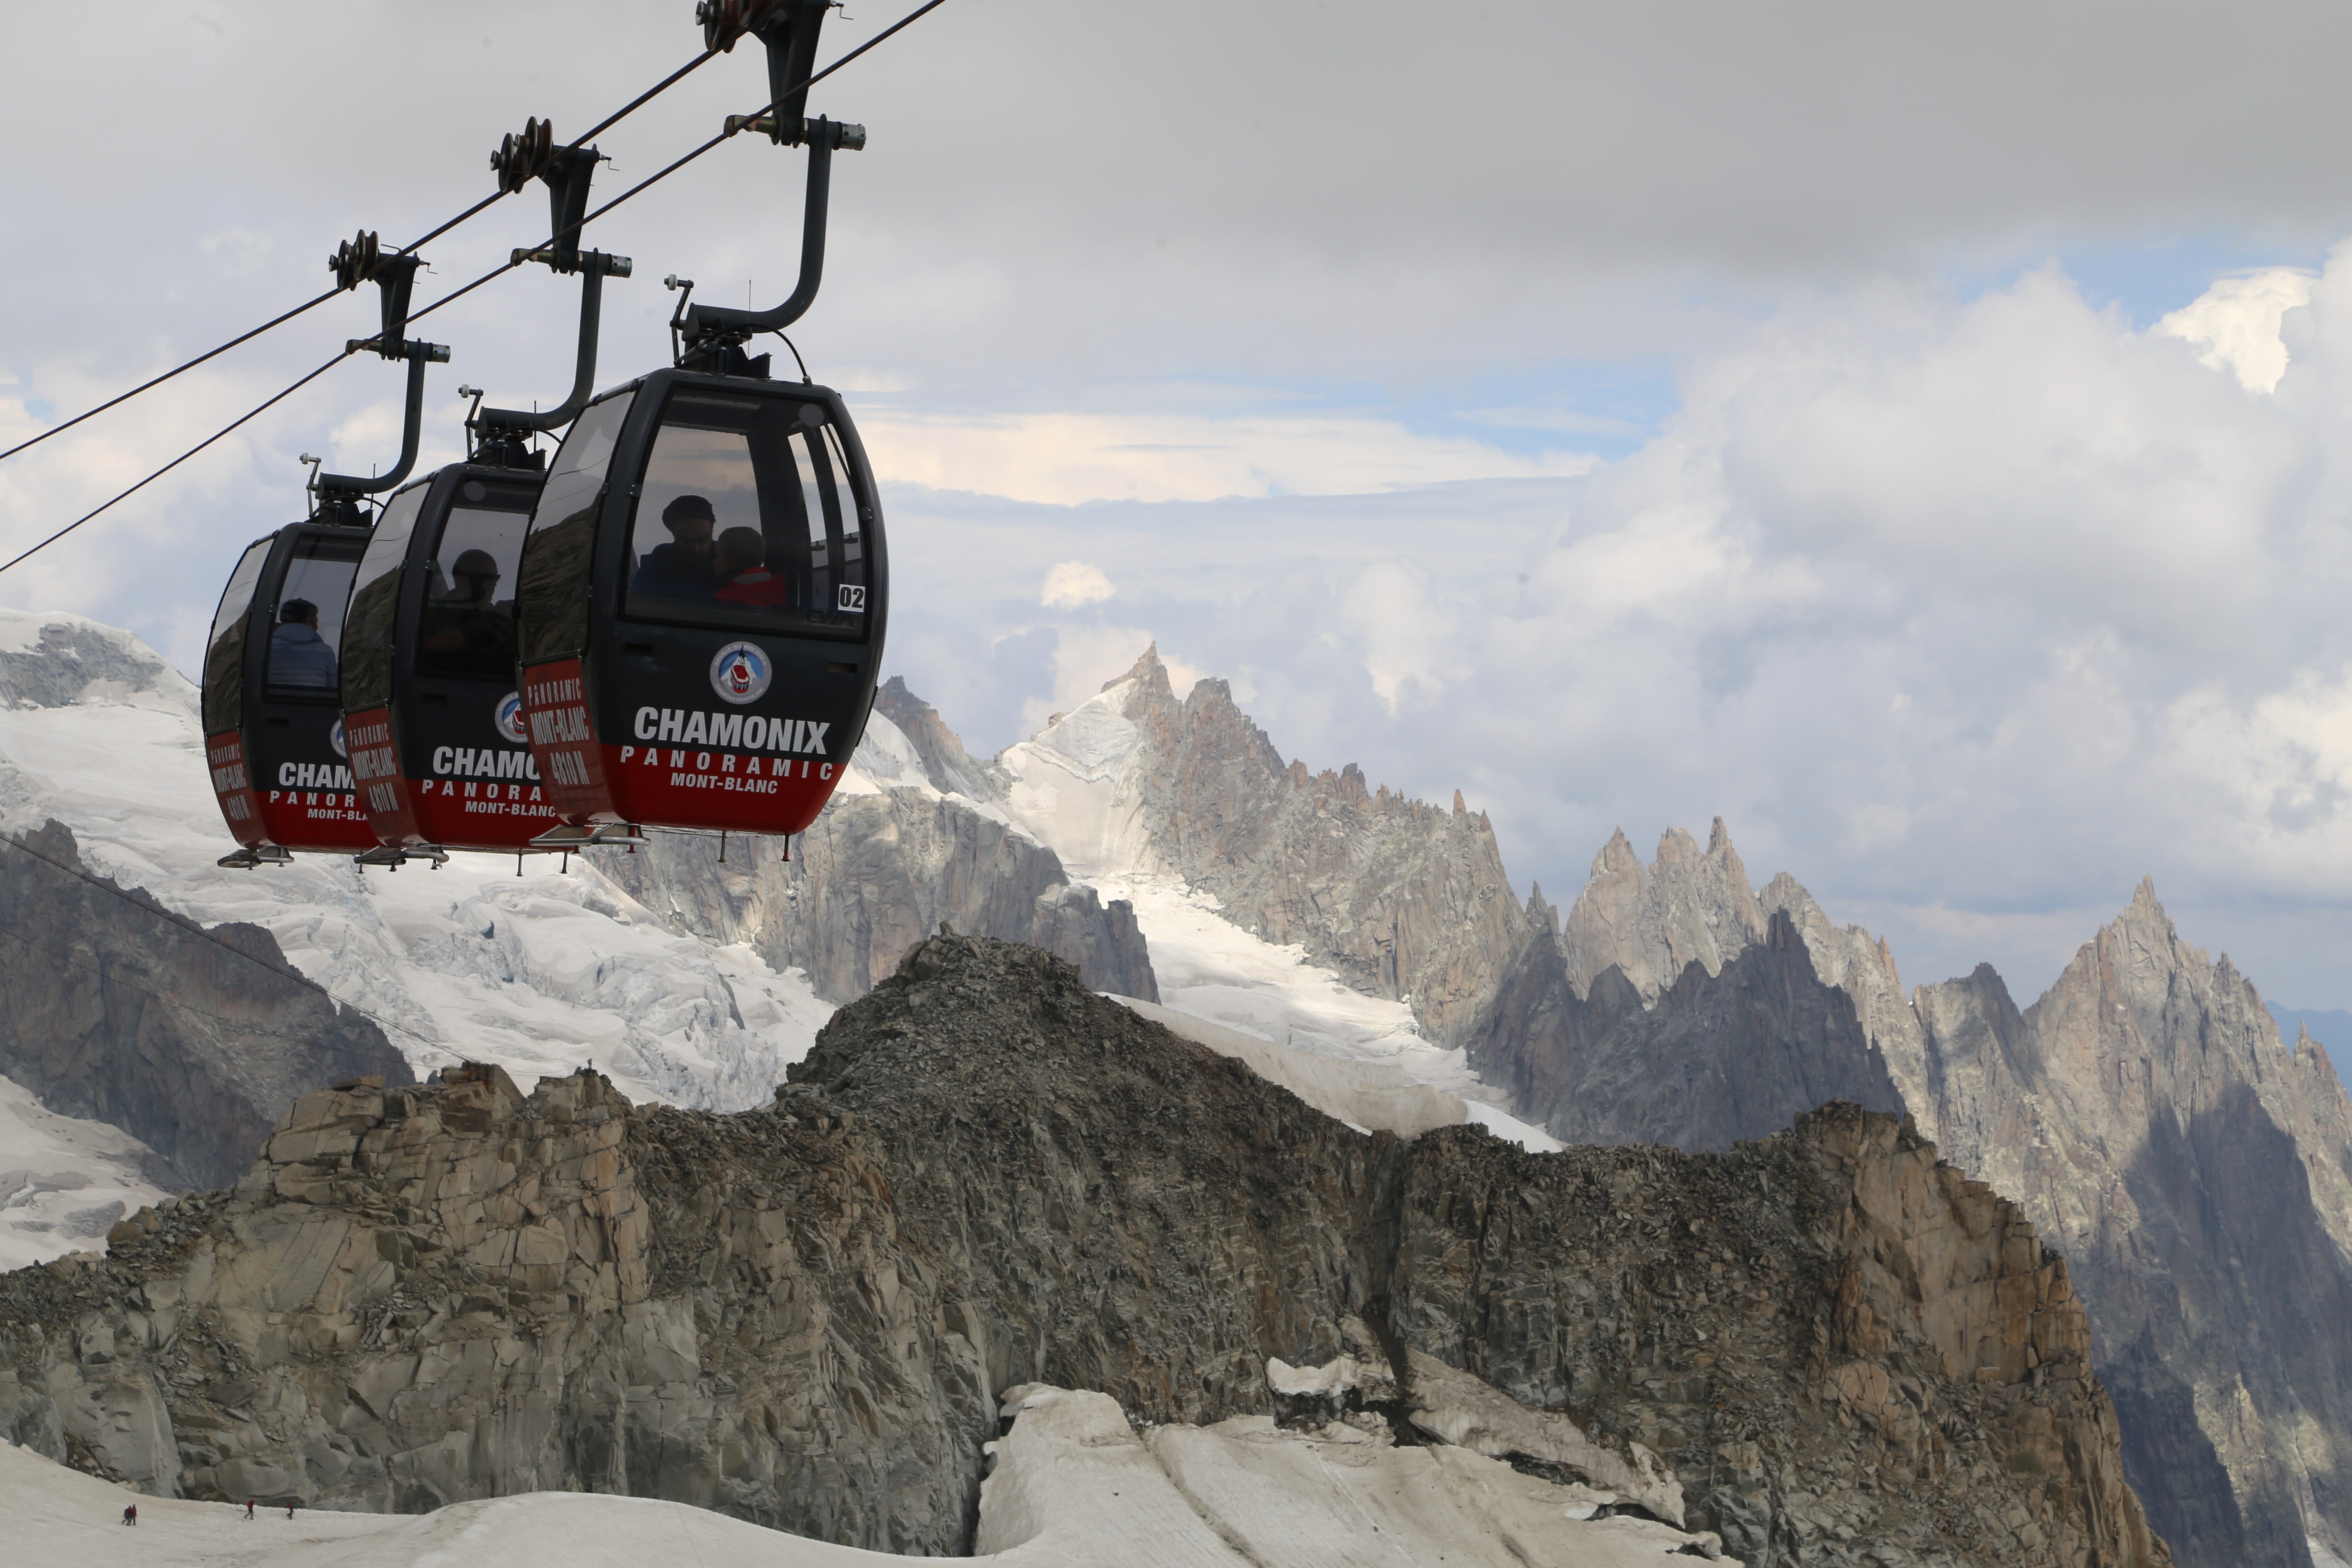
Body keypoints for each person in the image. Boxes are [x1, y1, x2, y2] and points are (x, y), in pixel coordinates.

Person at [418, 548, 514, 676]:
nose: (494, 584)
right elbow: (412, 653)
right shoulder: (427, 614)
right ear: (461, 579)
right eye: (487, 578)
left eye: (496, 578)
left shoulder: (496, 617)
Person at [630, 495, 719, 599]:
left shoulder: (730, 560)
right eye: (686, 541)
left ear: (712, 530)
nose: (696, 548)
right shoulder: (658, 563)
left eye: (703, 539)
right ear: (673, 533)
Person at [713, 527, 795, 609]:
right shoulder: (787, 593)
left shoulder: (725, 599)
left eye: (717, 556)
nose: (713, 562)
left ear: (731, 564)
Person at [268, 598, 337, 689]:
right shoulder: (326, 651)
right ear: (307, 621)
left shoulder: (267, 648)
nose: (317, 628)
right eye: (316, 621)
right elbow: (333, 689)